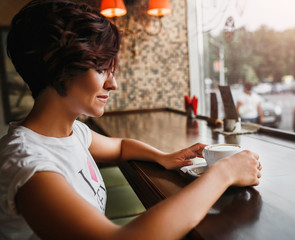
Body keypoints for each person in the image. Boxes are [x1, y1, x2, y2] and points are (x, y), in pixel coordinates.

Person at [0, 0, 262, 239]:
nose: (112, 84)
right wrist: (223, 173)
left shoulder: (74, 133)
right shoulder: (29, 166)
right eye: (102, 69)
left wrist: (164, 156)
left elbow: (121, 146)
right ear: (56, 66)